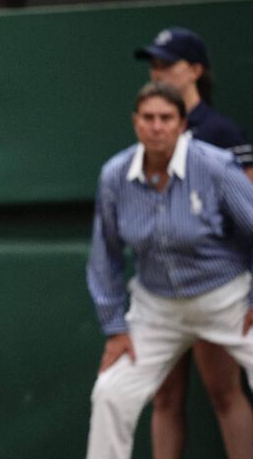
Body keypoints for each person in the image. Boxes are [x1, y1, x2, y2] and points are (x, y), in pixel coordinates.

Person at [85, 81, 253, 459]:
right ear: (135, 123)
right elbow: (104, 254)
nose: (157, 126)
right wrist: (115, 327)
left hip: (228, 299)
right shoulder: (114, 175)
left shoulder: (215, 166)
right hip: (156, 308)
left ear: (182, 124)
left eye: (166, 118)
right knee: (111, 392)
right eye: (148, 118)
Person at [134, 27, 253, 459]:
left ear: (196, 70)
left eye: (169, 63)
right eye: (155, 64)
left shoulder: (221, 132)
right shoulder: (150, 132)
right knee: (163, 399)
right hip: (159, 290)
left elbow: (247, 216)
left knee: (224, 393)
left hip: (213, 285)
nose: (158, 72)